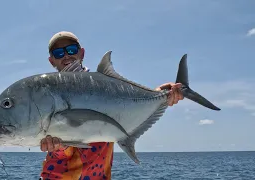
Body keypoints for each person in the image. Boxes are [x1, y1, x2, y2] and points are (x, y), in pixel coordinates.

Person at [39, 31, 184, 180]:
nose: (66, 56)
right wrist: (57, 147)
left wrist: (160, 95)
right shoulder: (48, 95)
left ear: (81, 53)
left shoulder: (104, 86)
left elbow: (124, 104)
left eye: (71, 50)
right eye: (58, 53)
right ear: (52, 61)